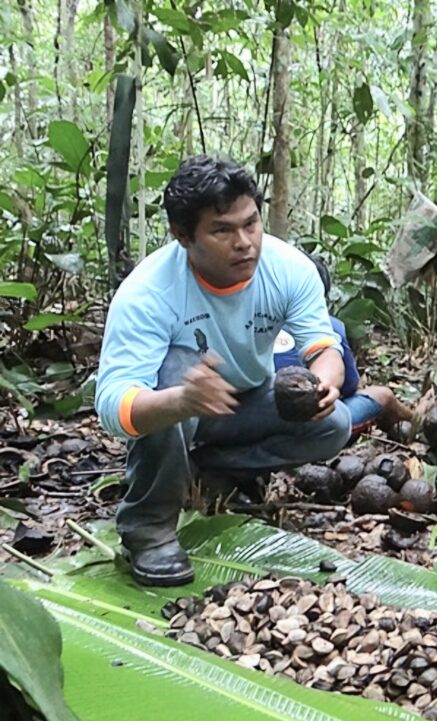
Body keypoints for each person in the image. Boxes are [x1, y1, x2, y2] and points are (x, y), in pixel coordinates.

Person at [96, 155, 352, 587]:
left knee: (334, 425)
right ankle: (149, 529)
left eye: (251, 224)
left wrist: (325, 382)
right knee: (175, 367)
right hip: (176, 408)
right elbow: (111, 408)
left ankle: (210, 473)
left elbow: (324, 347)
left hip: (245, 401)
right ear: (183, 236)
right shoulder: (147, 293)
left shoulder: (289, 269)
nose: (245, 242)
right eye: (222, 230)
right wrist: (180, 401)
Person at [272, 255, 413, 437]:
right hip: (302, 429)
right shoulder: (330, 325)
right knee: (383, 395)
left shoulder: (257, 320)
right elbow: (348, 388)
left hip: (251, 420)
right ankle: (418, 425)